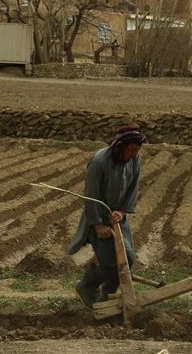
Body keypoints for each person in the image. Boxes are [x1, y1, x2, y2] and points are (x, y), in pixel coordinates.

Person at [68, 124, 146, 309]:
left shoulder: (134, 160)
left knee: (127, 260)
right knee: (113, 260)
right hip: (98, 218)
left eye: (137, 150)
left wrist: (122, 212)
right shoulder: (99, 162)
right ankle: (86, 286)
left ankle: (107, 298)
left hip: (118, 218)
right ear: (121, 146)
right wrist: (98, 226)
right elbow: (91, 194)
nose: (135, 153)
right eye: (132, 149)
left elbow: (133, 188)